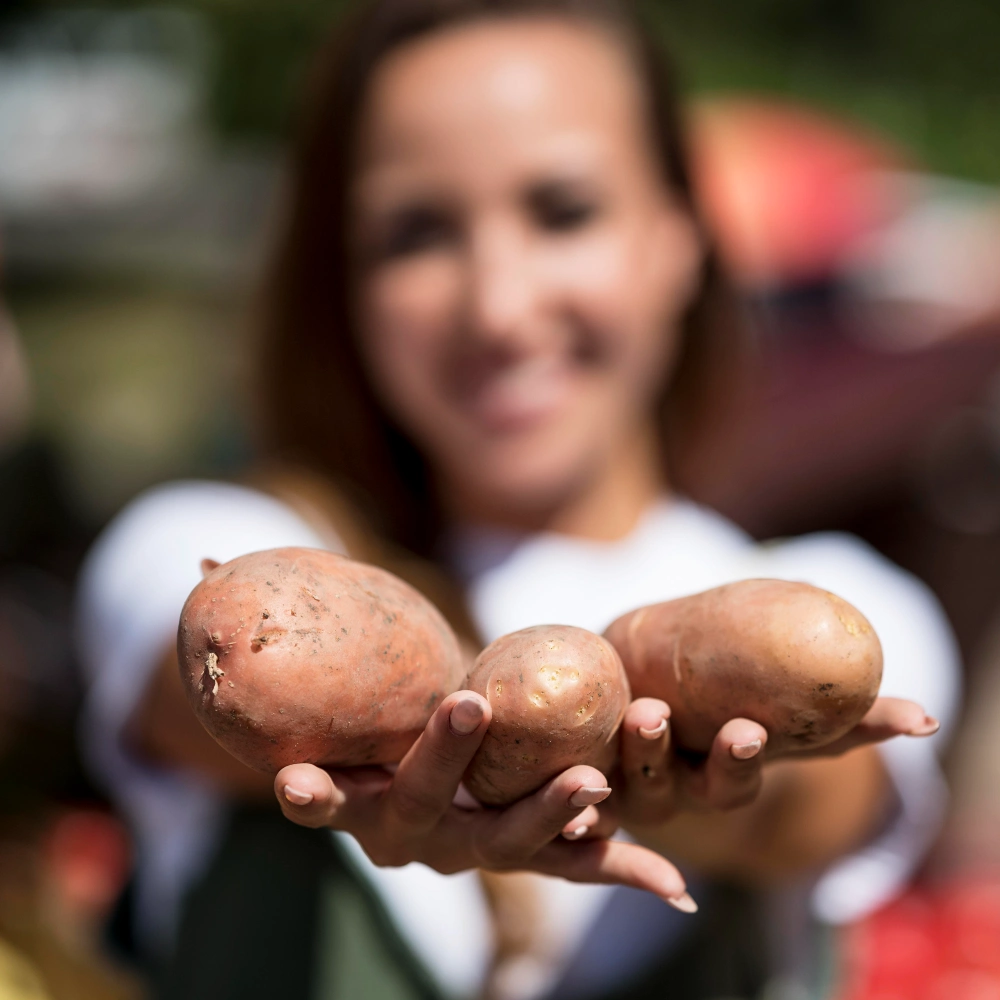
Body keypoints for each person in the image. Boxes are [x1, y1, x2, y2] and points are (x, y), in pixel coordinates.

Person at [75, 0, 960, 997]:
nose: (497, 307)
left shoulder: (842, 594)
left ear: (678, 236)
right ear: (347, 282)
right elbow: (217, 672)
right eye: (416, 232)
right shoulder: (215, 540)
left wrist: (700, 795)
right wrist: (372, 719)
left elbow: (813, 802)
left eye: (563, 211)